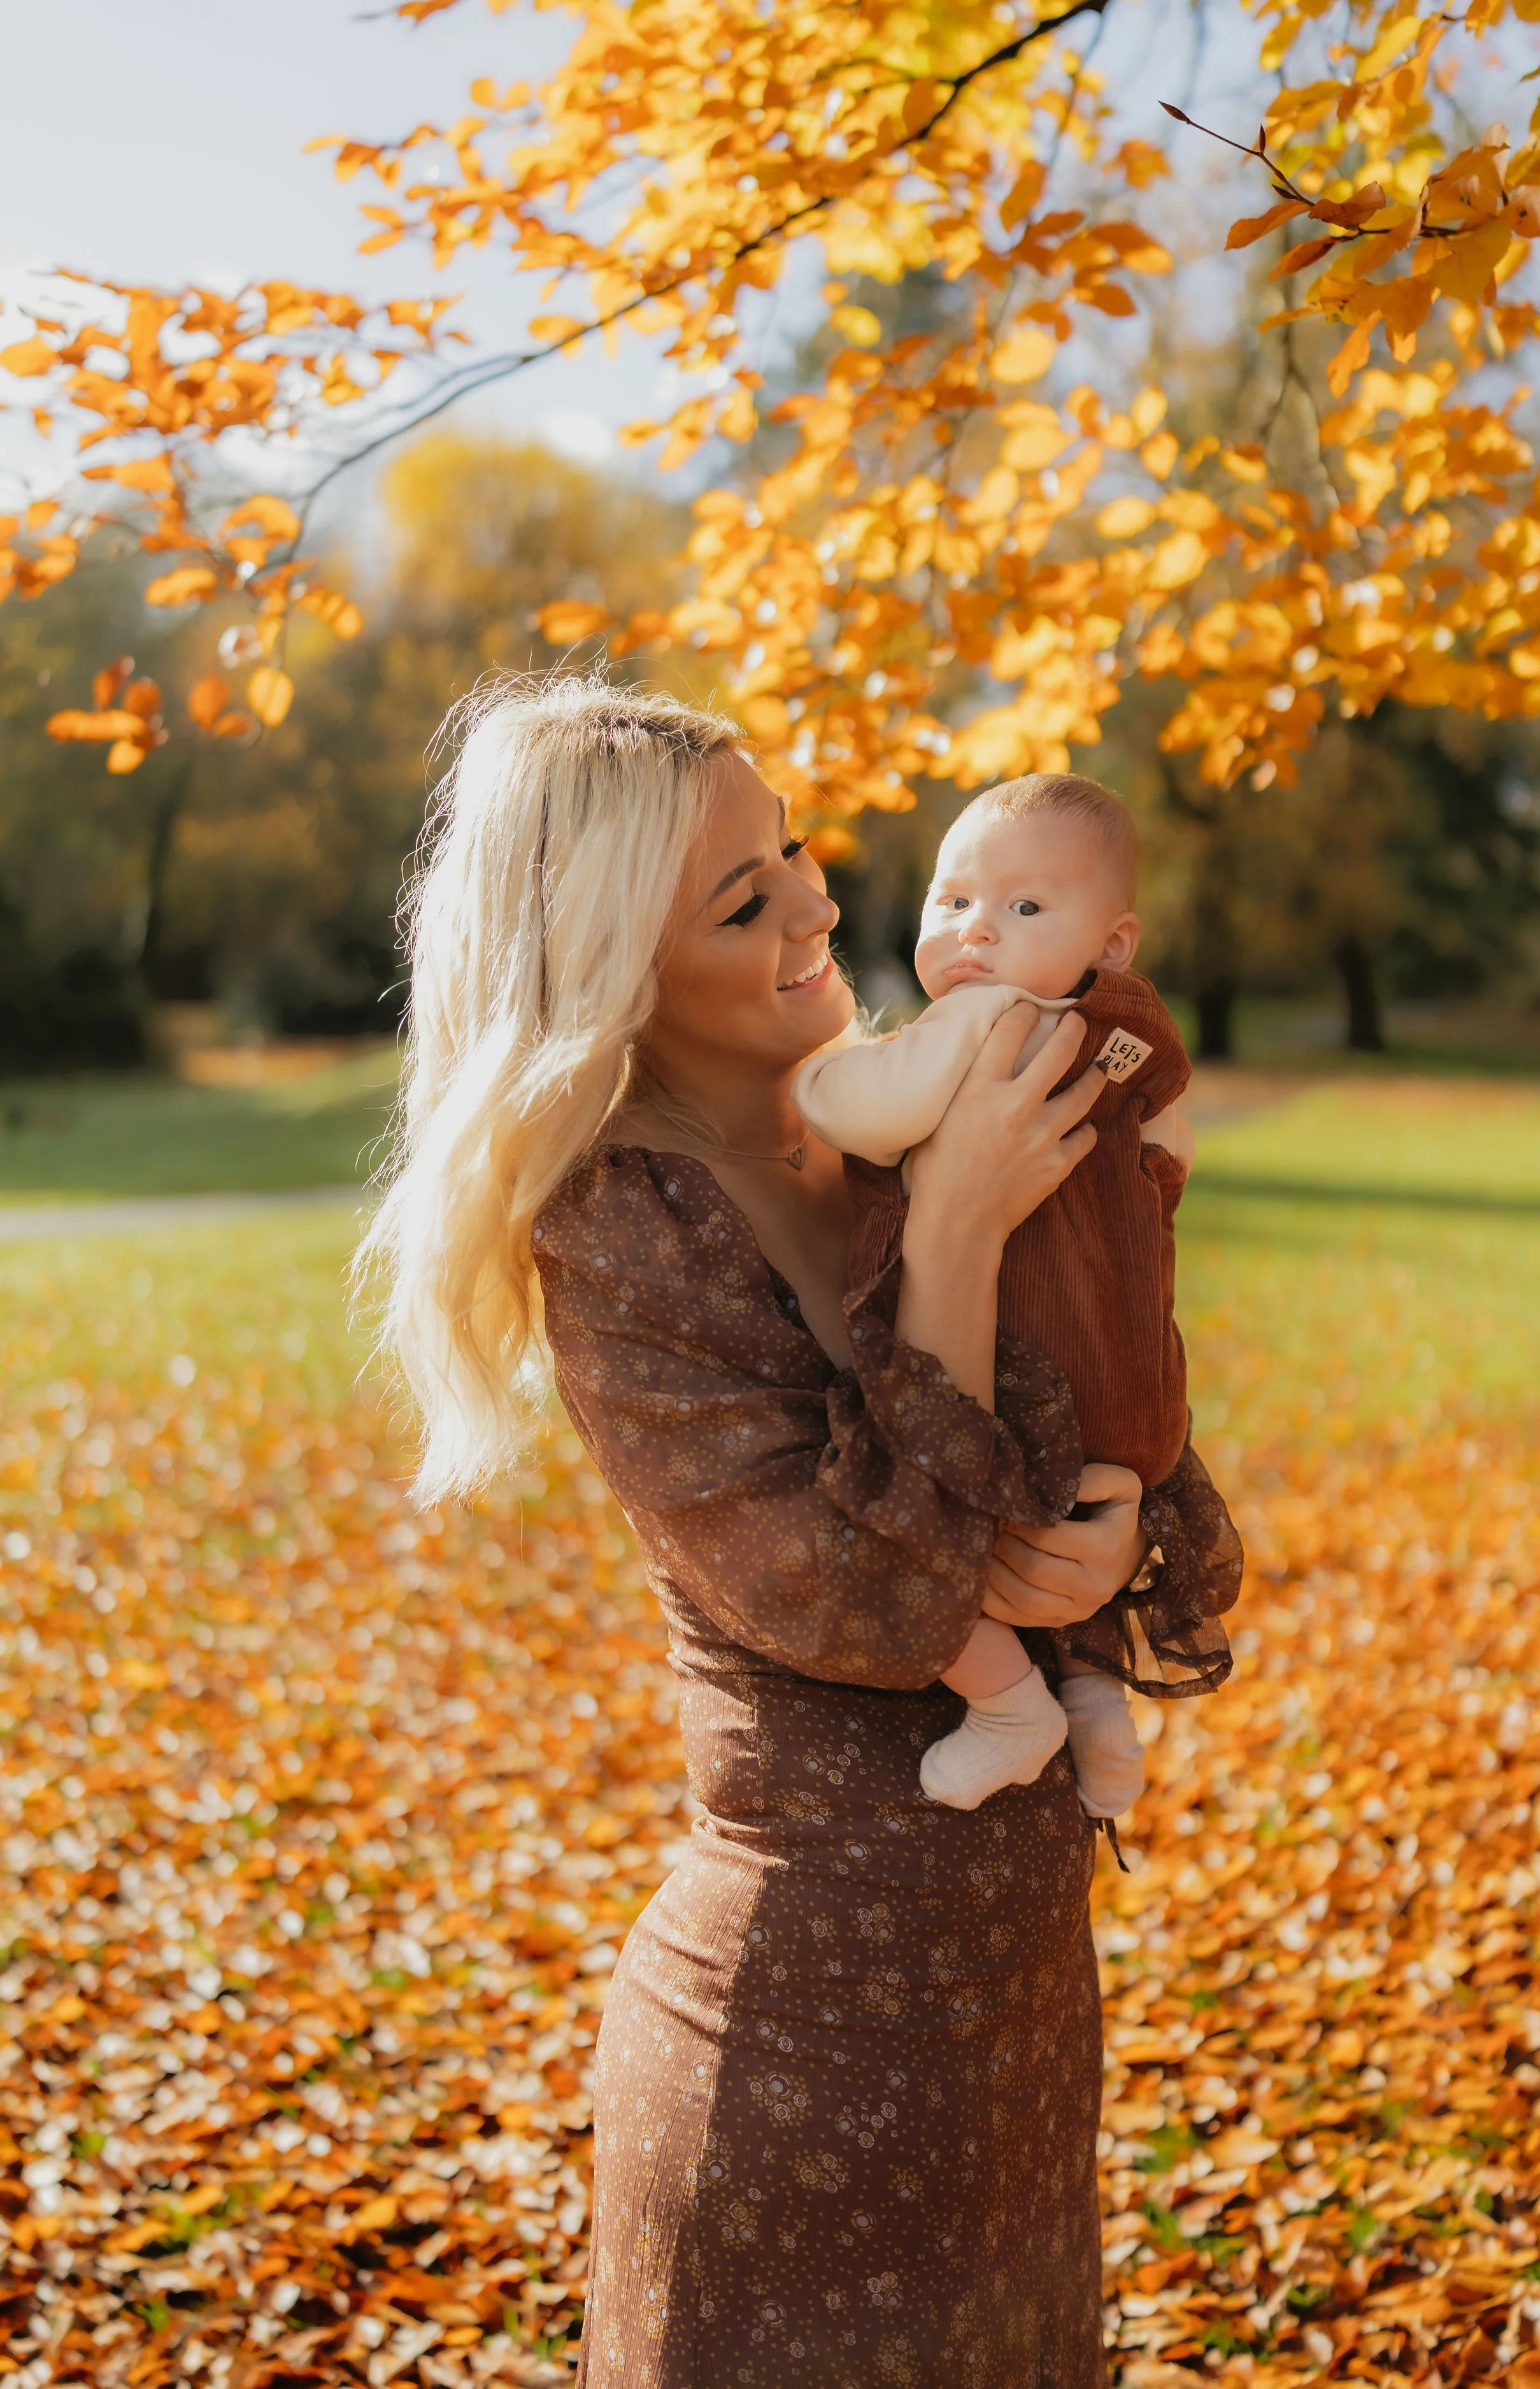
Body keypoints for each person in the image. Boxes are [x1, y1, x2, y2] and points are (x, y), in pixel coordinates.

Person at [361, 675, 1242, 2389]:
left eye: (796, 853)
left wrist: (1119, 1513)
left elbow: (1128, 1397)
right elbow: (868, 1590)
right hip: (794, 2059)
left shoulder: (902, 1119)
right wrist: (967, 1229)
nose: (822, 902)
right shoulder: (622, 1227)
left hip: (1016, 2013)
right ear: (610, 962)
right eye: (742, 893)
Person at [795, 773, 1222, 1818]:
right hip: (1134, 1395)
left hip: (1020, 1368)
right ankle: (1097, 1698)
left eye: (1025, 909)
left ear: (1111, 942)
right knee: (1072, 1534)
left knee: (922, 1518)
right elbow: (1168, 1146)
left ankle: (1007, 1706)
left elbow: (879, 1108)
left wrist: (813, 1084)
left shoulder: (986, 1018)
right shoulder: (1136, 1032)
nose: (977, 931)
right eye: (953, 903)